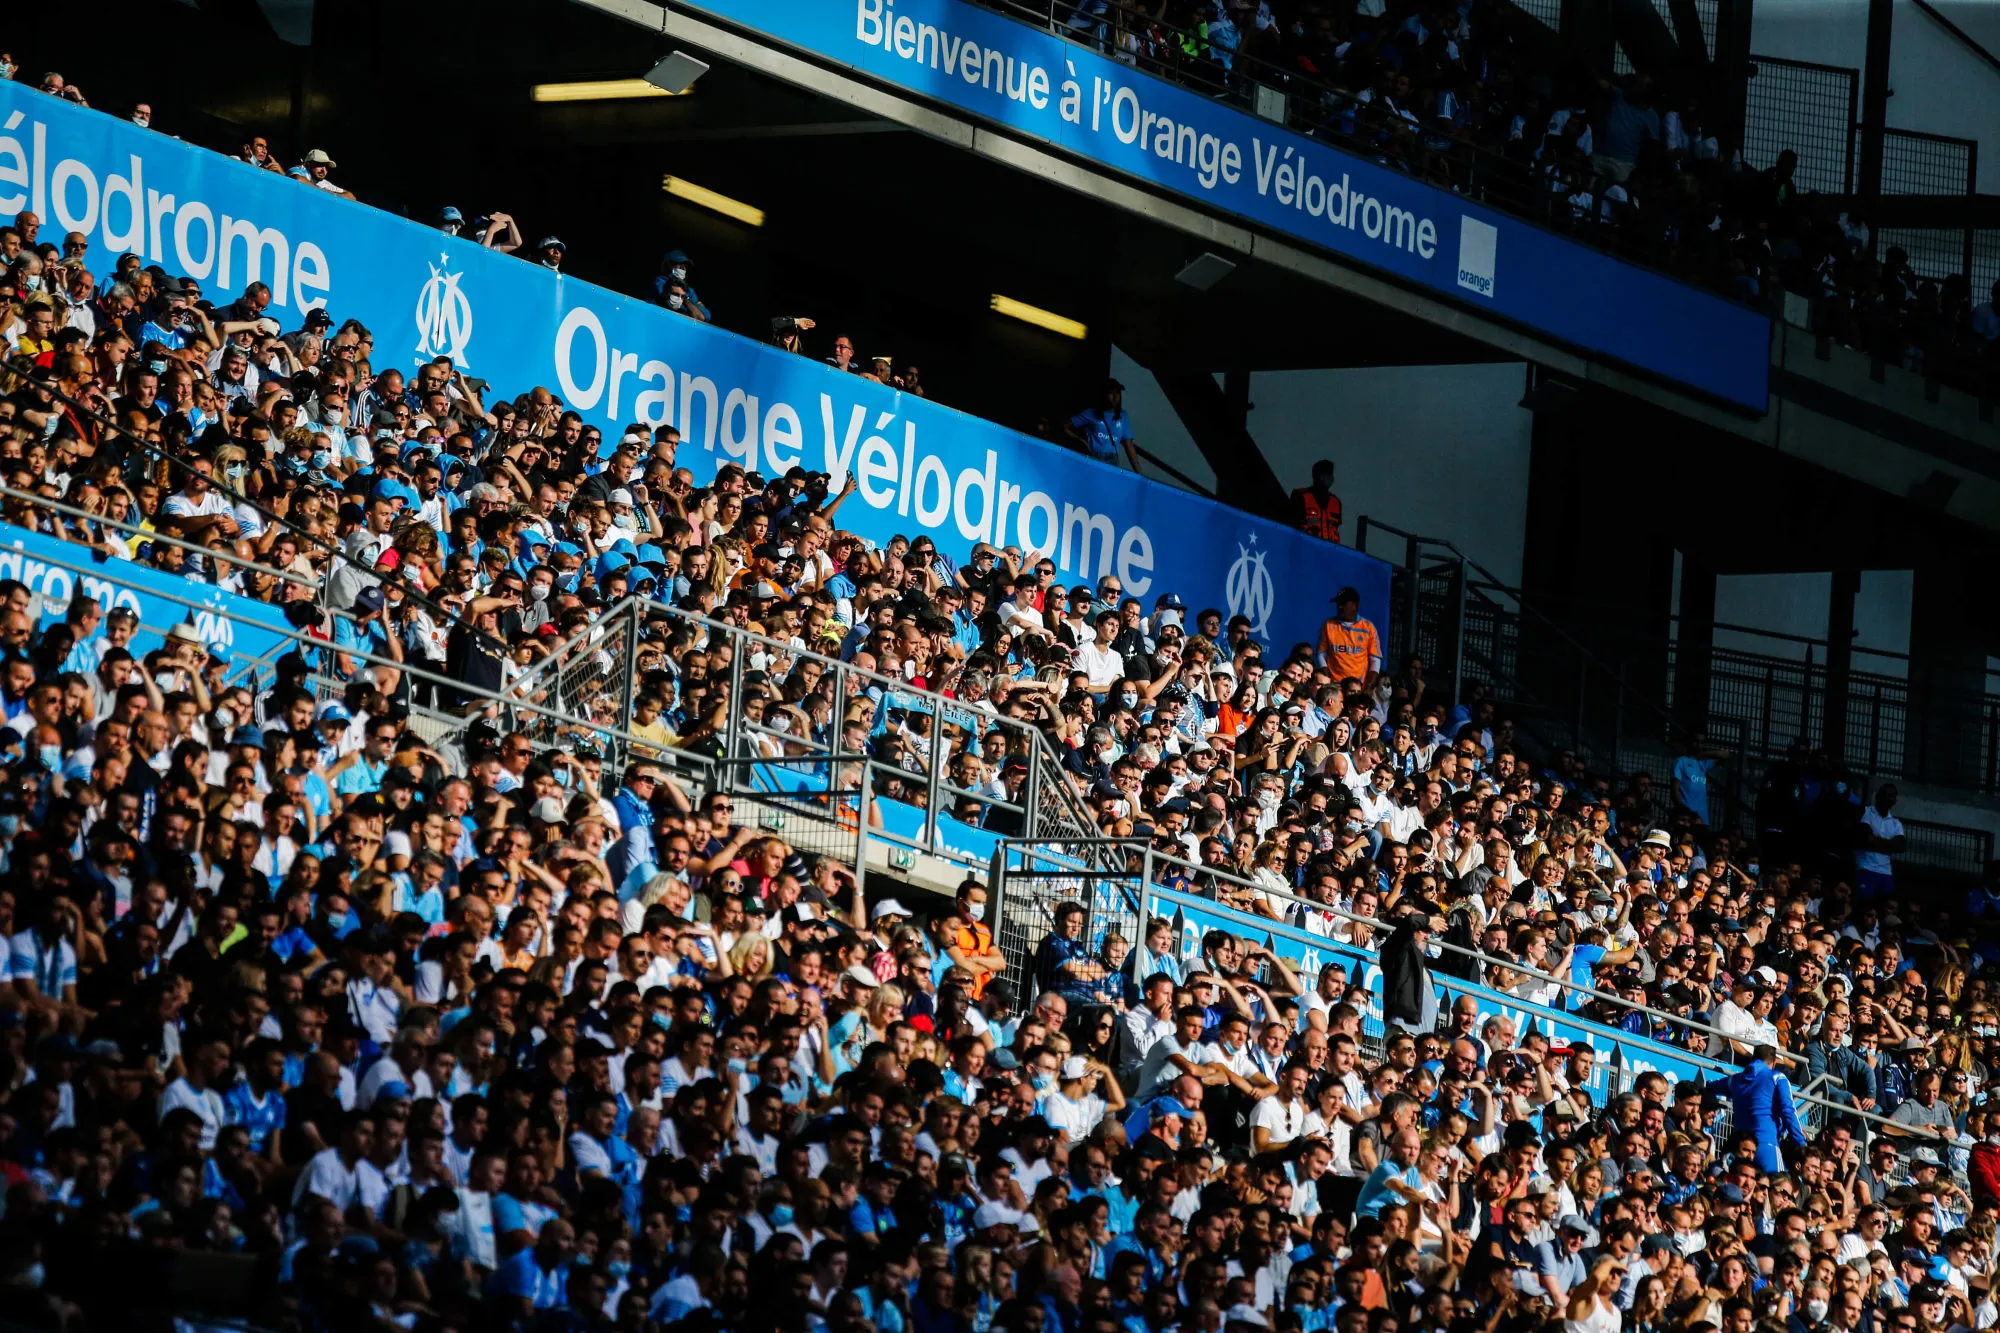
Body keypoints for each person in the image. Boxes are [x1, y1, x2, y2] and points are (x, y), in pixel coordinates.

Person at [1721, 1043, 1807, 1174]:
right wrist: (1801, 1143)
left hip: (1740, 1147)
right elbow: (1788, 1111)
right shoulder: (1777, 1077)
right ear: (1773, 1063)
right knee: (1774, 1188)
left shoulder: (1735, 1080)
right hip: (1767, 1144)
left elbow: (1710, 1086)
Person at [1063, 379, 1141, 471]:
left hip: (1113, 462)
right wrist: (1081, 441)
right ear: (1104, 394)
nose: (1115, 396)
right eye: (1111, 393)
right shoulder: (1090, 413)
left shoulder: (1123, 416)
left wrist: (1139, 474)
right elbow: (1066, 426)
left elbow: (1129, 445)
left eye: (1118, 393)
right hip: (1093, 458)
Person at [1316, 586, 1382, 689]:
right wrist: (1328, 680)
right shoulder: (1328, 625)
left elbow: (1375, 660)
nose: (1339, 607)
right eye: (1338, 604)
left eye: (1343, 604)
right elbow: (1321, 655)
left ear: (1355, 605)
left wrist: (1369, 687)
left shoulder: (1368, 628)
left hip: (1357, 687)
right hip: (1335, 686)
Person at [1291, 459, 1342, 543]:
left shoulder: (1336, 502)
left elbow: (1335, 529)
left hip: (1330, 553)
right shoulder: (1301, 496)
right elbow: (1293, 526)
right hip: (1306, 548)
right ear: (1321, 477)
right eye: (1329, 475)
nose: (1332, 479)